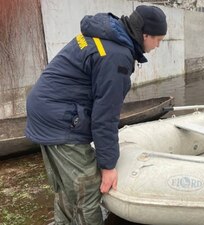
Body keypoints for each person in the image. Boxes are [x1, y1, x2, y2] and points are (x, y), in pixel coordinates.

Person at [25, 5, 167, 225]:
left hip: (44, 109)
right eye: (158, 39)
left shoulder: (103, 34)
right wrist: (108, 166)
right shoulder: (117, 56)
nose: (158, 45)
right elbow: (105, 117)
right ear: (144, 34)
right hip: (60, 118)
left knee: (65, 185)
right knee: (88, 189)